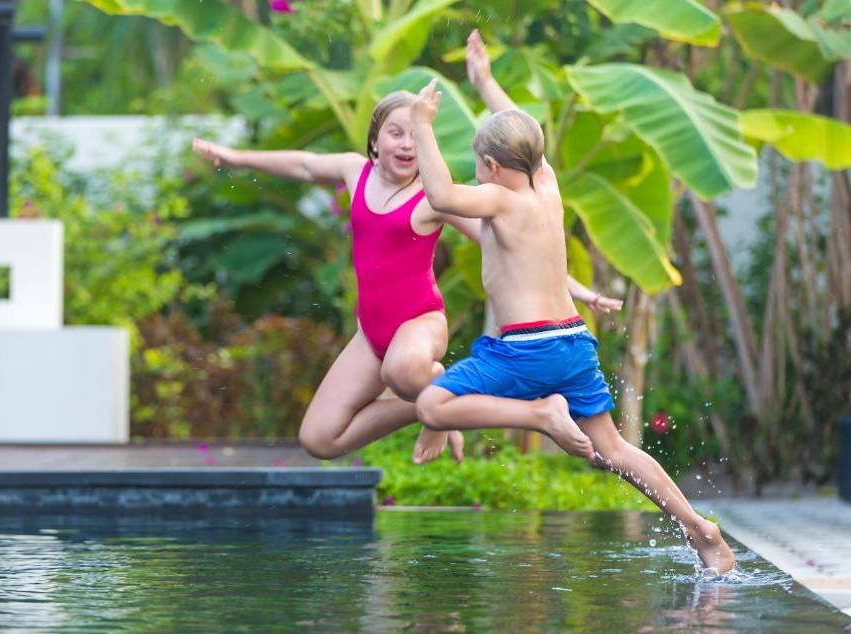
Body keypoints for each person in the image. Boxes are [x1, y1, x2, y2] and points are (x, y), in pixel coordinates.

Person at [407, 30, 735, 573]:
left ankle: (540, 414)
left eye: (479, 162)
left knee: (432, 407)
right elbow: (521, 131)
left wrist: (421, 124)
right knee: (616, 449)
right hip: (571, 340)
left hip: (526, 348)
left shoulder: (498, 200)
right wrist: (485, 82)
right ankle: (700, 529)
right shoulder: (547, 184)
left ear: (491, 167)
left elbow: (440, 195)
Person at [193, 85, 619, 466]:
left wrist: (578, 290)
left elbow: (517, 249)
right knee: (320, 439)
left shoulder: (433, 198)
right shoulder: (354, 171)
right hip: (371, 334)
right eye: (396, 132)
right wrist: (235, 157)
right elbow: (304, 165)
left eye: (416, 134)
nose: (407, 143)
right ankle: (436, 406)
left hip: (420, 324)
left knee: (401, 370)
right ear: (375, 139)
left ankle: (442, 404)